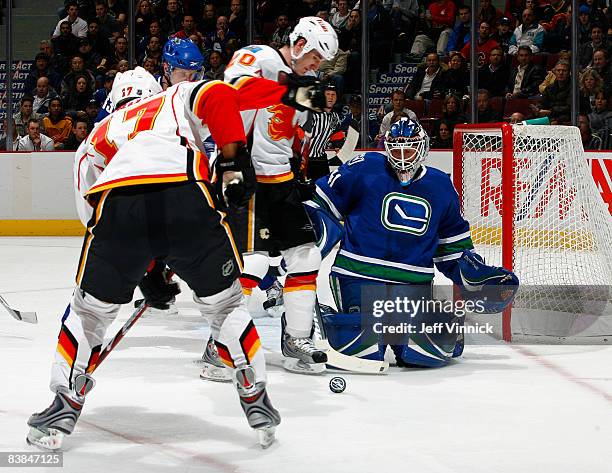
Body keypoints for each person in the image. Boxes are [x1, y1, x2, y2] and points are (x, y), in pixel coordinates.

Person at [30, 62, 323, 451]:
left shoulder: (97, 136)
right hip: (186, 195)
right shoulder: (174, 96)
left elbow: (92, 216)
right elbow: (224, 94)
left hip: (120, 208)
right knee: (225, 306)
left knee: (89, 313)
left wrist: (144, 271)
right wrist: (283, 98)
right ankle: (254, 389)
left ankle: (62, 403)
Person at [310, 118, 517, 367]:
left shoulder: (440, 185)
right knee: (364, 347)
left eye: (408, 149)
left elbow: (451, 246)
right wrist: (310, 240)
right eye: (396, 149)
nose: (402, 157)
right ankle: (315, 319)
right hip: (359, 274)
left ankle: (443, 326)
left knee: (420, 351)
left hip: (412, 281)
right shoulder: (364, 167)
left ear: (422, 148)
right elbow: (320, 203)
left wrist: (473, 274)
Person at [222, 16, 339, 374]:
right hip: (247, 176)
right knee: (252, 265)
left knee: (305, 257)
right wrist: (231, 170)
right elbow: (231, 94)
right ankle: (220, 346)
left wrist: (303, 165)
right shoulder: (259, 57)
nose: (316, 67)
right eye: (316, 58)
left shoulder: (304, 86)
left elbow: (287, 137)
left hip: (281, 181)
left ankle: (297, 338)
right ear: (300, 44)